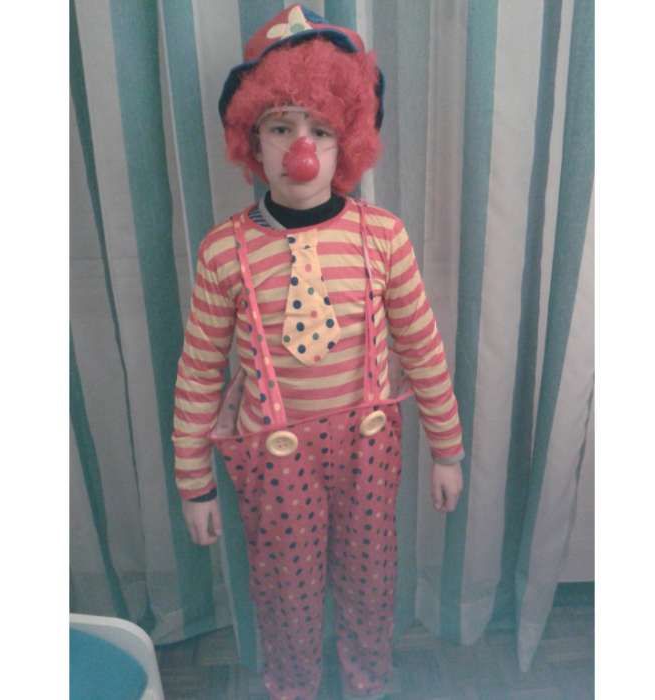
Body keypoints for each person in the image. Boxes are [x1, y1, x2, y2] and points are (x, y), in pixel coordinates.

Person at [171, 6, 464, 699]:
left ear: (347, 142)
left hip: (367, 452)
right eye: (281, 127)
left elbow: (423, 347)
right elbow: (200, 373)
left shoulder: (383, 237)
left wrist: (447, 450)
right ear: (253, 139)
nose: (300, 148)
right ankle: (294, 687)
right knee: (285, 592)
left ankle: (367, 682)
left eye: (321, 130)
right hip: (274, 462)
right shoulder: (222, 251)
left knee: (371, 582)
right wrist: (194, 483)